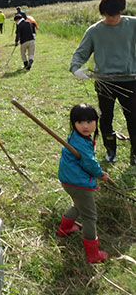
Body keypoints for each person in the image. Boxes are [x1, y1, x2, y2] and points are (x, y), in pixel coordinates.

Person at [70, 0, 136, 165]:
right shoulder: (95, 31)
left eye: (114, 15)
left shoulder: (132, 24)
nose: (111, 18)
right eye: (107, 15)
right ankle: (110, 150)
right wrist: (75, 68)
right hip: (105, 81)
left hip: (130, 80)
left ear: (121, 10)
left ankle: (135, 154)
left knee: (134, 117)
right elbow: (80, 52)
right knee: (106, 117)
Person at [57, 104, 110, 264]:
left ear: (96, 121)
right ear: (73, 123)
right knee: (89, 216)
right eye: (80, 122)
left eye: (90, 121)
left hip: (69, 180)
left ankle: (64, 229)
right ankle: (93, 254)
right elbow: (89, 163)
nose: (86, 126)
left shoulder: (76, 136)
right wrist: (100, 174)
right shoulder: (80, 142)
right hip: (78, 183)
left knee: (79, 206)